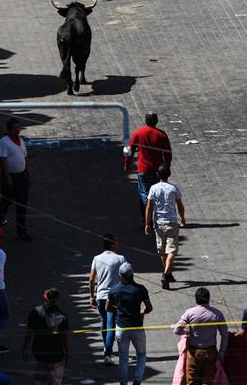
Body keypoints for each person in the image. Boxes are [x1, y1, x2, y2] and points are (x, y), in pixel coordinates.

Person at [107, 262, 152, 385]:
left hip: (121, 327)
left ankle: (123, 383)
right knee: (141, 354)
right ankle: (137, 380)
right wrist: (142, 312)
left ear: (120, 276)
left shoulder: (114, 290)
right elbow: (149, 308)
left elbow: (108, 308)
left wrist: (118, 310)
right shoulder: (141, 289)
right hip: (137, 327)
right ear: (132, 275)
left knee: (123, 357)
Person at [173, 287, 228, 385]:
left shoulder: (190, 312)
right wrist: (222, 352)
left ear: (196, 299)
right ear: (208, 298)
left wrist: (187, 332)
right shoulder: (217, 314)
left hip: (194, 353)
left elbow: (177, 330)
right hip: (211, 352)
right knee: (207, 381)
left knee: (191, 381)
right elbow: (224, 335)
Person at [125, 112, 173, 218]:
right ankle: (157, 216)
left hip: (143, 169)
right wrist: (167, 167)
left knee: (144, 194)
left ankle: (147, 218)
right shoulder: (161, 134)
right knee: (158, 194)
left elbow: (130, 151)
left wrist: (127, 164)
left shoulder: (138, 133)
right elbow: (167, 153)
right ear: (156, 121)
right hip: (158, 170)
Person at [144, 164, 185, 289]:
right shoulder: (174, 189)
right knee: (172, 250)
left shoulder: (153, 188)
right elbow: (180, 206)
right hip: (171, 221)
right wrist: (182, 218)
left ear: (158, 175)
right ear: (169, 175)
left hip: (158, 222)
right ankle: (166, 273)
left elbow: (149, 207)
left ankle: (168, 273)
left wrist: (147, 223)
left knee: (162, 251)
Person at [0, 118, 33, 241]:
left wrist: (28, 175)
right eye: (14, 128)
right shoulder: (4, 142)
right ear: (9, 129)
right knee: (6, 202)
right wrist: (7, 177)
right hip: (10, 177)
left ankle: (21, 231)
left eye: (18, 127)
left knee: (22, 205)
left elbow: (24, 158)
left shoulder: (21, 141)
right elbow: (2, 160)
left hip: (21, 176)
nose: (17, 130)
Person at [89, 234, 127, 364]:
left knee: (104, 321)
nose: (118, 244)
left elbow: (91, 279)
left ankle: (106, 346)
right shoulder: (120, 258)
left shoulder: (96, 258)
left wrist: (92, 296)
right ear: (112, 244)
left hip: (100, 296)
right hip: (114, 298)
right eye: (116, 242)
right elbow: (126, 276)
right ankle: (107, 354)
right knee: (111, 325)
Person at [23, 288, 70, 385]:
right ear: (57, 299)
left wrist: (25, 348)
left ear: (45, 298)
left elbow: (29, 333)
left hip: (40, 353)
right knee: (55, 381)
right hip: (57, 354)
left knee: (40, 379)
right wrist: (68, 353)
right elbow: (65, 337)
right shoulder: (62, 316)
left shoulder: (35, 312)